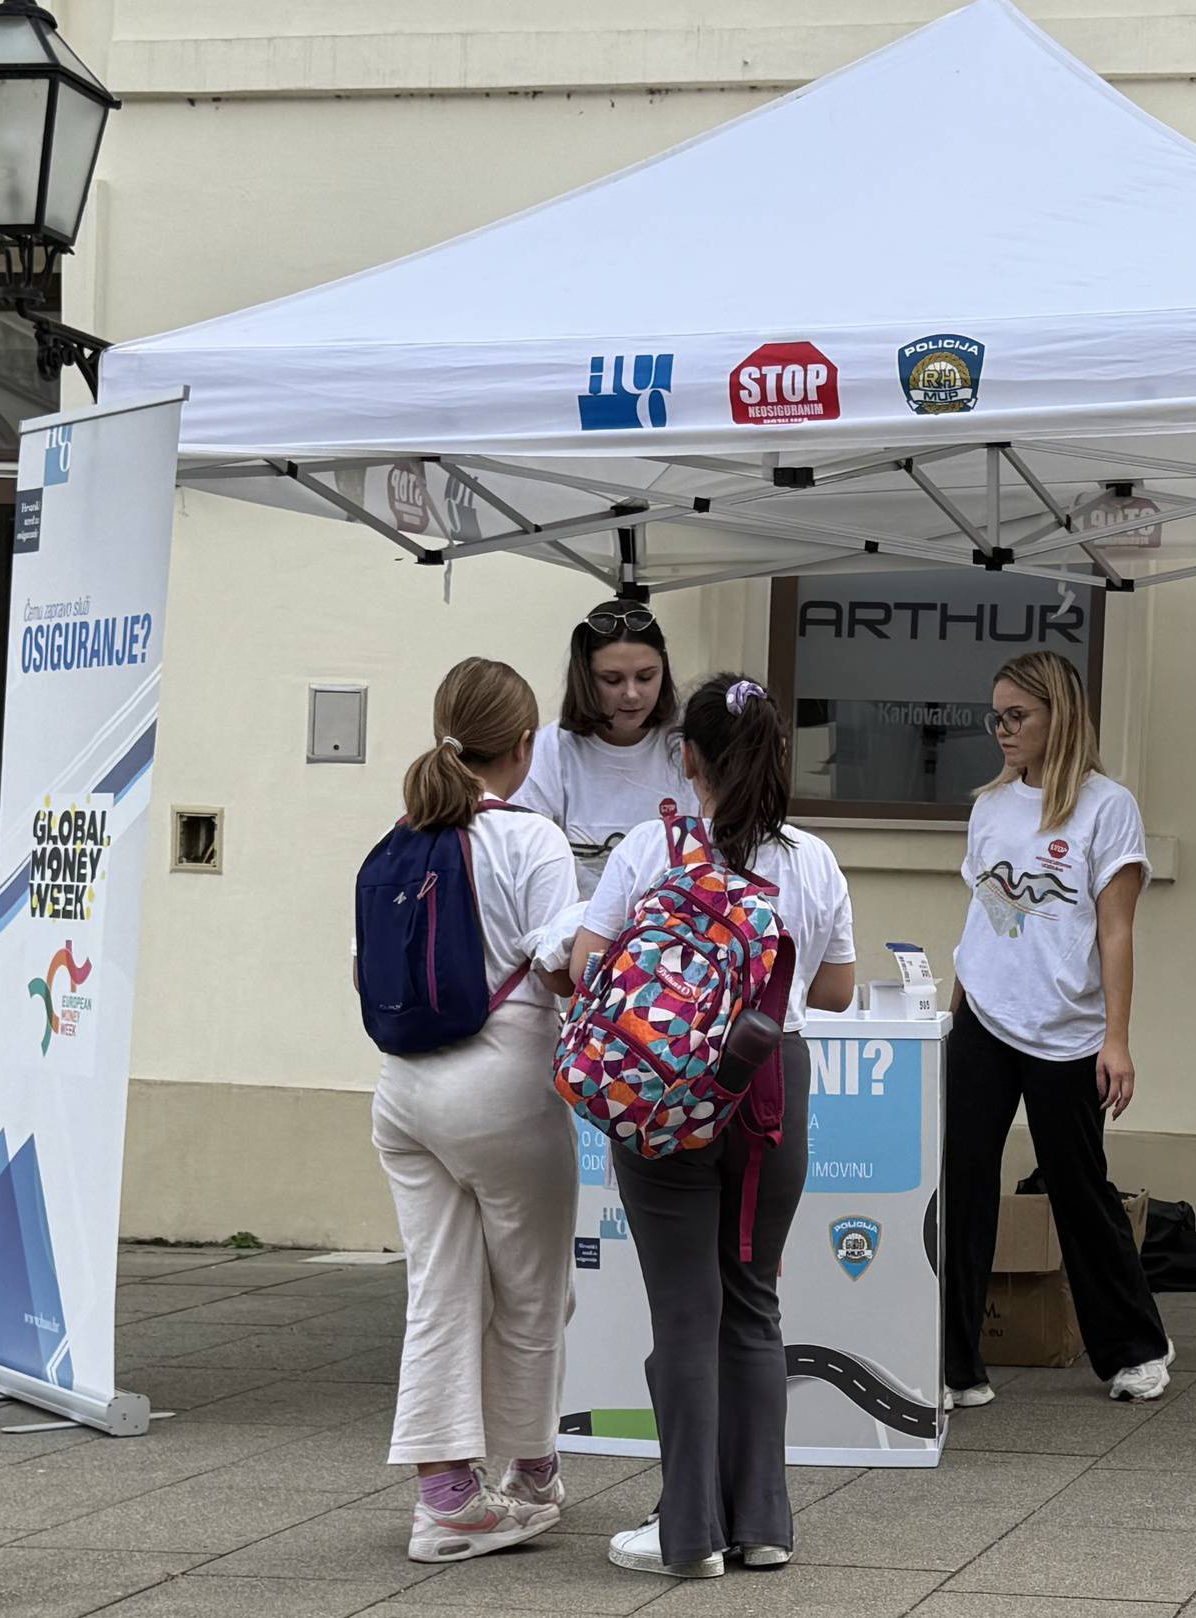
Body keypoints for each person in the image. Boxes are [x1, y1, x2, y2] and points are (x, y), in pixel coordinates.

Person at [547, 672, 856, 1580]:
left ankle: (686, 1534)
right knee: (753, 1302)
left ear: (687, 759)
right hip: (770, 1087)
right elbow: (832, 989)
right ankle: (761, 1522)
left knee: (686, 1313)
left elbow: (589, 963)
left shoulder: (651, 848)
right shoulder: (811, 858)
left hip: (665, 1091)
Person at [362, 657, 581, 1564]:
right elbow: (566, 967)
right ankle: (531, 1474)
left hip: (403, 1095)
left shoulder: (399, 837)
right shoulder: (533, 841)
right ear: (524, 747)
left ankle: (447, 1498)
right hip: (501, 1095)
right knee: (533, 1297)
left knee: (439, 1294)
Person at [942, 650, 1172, 1408]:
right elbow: (987, 916)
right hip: (981, 1017)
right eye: (996, 716)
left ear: (1059, 716)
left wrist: (1118, 1038)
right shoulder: (990, 807)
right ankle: (956, 1366)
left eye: (1018, 716)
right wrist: (955, 1005)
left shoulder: (1109, 808)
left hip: (1067, 1032)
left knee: (1077, 1187)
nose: (1003, 730)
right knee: (962, 1183)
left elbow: (1115, 932)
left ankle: (1135, 1349)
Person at [513, 598, 698, 896]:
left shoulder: (685, 746)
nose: (632, 694)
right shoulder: (552, 751)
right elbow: (527, 860)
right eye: (612, 680)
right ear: (584, 678)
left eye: (646, 677)